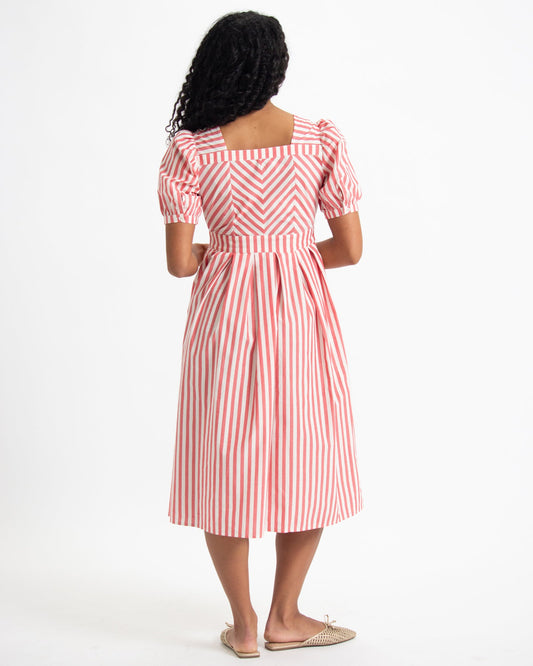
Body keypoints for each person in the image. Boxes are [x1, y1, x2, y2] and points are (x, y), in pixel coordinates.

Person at [157, 10, 365, 658]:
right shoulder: (318, 141)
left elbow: (180, 263)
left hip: (223, 318)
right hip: (299, 313)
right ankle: (285, 617)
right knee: (308, 455)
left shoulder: (192, 150)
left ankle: (244, 626)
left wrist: (234, 254)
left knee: (226, 460)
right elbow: (349, 249)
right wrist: (289, 256)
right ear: (276, 67)